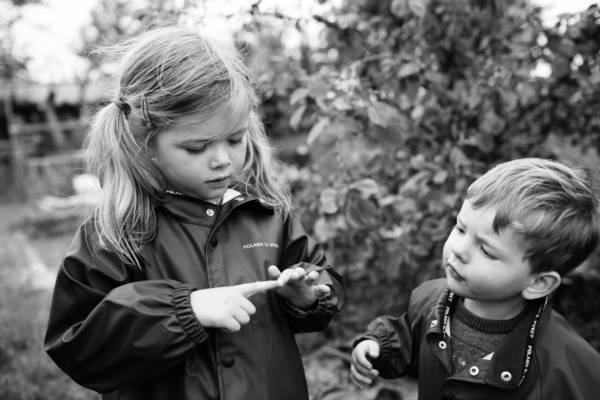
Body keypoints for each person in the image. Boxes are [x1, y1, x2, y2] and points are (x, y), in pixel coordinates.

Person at [44, 25, 345, 400]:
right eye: (197, 147)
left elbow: (322, 287)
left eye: (235, 139)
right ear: (145, 142)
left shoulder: (267, 215)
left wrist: (308, 298)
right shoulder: (117, 233)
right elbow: (78, 347)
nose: (222, 160)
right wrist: (181, 311)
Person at [351, 158, 600, 400]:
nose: (459, 249)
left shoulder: (564, 365)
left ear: (537, 283)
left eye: (487, 250)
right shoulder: (430, 300)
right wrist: (379, 348)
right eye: (460, 229)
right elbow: (408, 334)